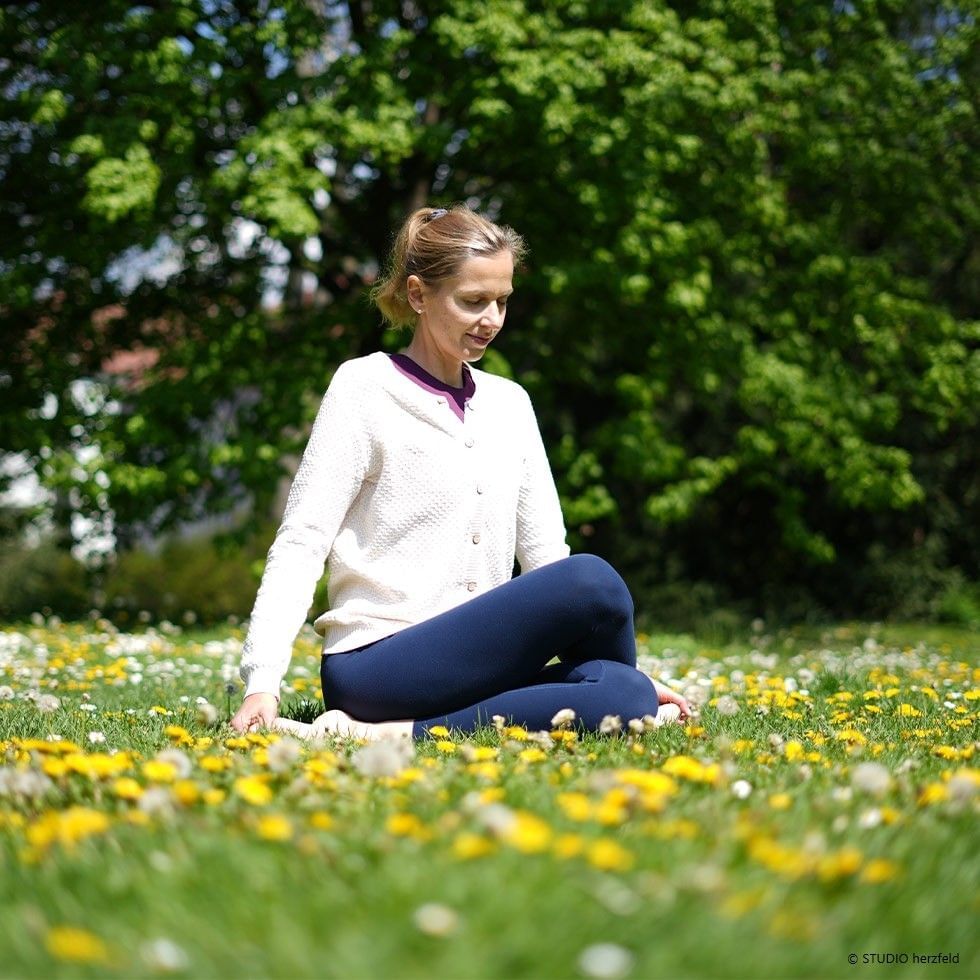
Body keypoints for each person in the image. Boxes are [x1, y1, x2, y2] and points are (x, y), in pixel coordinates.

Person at [230, 205, 690, 740]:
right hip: (379, 664)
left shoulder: (510, 403)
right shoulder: (364, 388)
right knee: (595, 580)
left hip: (480, 664)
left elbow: (546, 560)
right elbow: (302, 542)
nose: (491, 318)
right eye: (473, 301)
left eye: (502, 301)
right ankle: (385, 722)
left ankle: (398, 733)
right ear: (419, 295)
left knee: (625, 690)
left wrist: (608, 673)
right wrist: (262, 680)